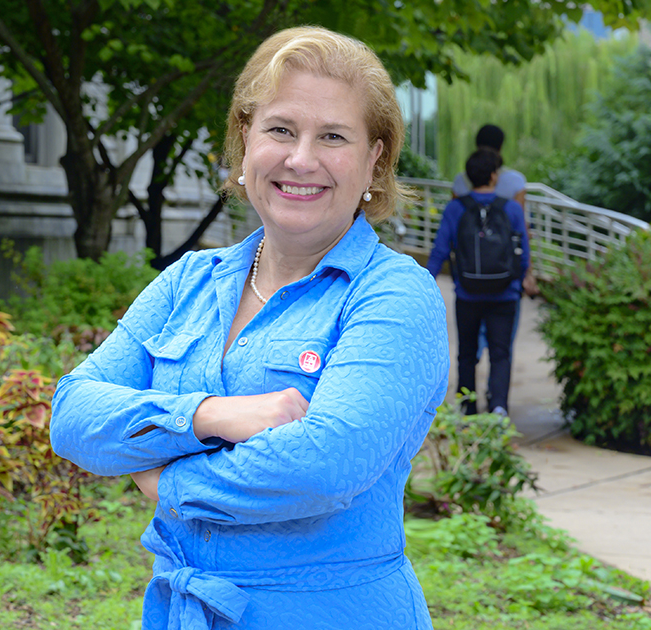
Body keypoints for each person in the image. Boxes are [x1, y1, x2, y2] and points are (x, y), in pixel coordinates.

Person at [49, 26, 449, 630]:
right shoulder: (188, 281)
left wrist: (165, 481)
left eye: (333, 137)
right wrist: (208, 415)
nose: (301, 158)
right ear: (244, 139)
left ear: (375, 159)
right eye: (281, 129)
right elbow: (72, 414)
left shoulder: (393, 294)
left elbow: (326, 463)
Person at [427, 148, 530, 416]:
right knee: (501, 353)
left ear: (469, 177)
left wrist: (426, 281)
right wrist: (517, 282)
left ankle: (467, 406)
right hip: (504, 294)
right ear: (494, 176)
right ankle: (498, 407)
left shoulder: (455, 208)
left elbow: (440, 249)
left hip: (468, 294)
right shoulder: (511, 209)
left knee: (466, 353)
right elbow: (524, 252)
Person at [451, 124, 537, 297]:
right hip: (505, 266)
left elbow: (454, 225)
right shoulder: (516, 181)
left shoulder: (460, 181)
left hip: (469, 266)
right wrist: (528, 271)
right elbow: (521, 229)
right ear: (501, 147)